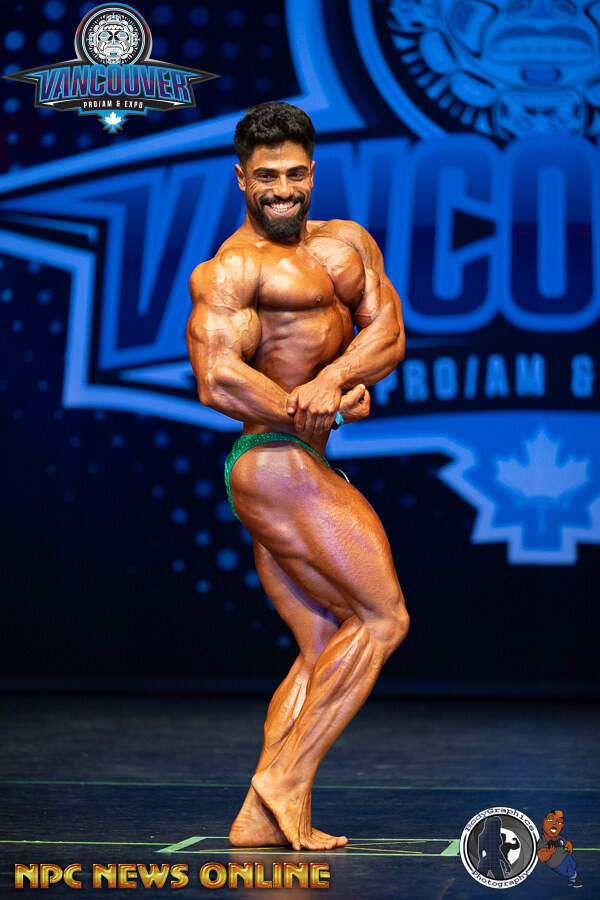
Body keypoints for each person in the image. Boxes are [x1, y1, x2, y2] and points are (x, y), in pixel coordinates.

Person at [186, 101, 409, 852]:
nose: (281, 189)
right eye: (266, 177)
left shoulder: (348, 244)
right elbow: (218, 379)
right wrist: (309, 404)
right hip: (271, 461)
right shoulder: (231, 269)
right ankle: (285, 779)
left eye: (294, 174)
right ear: (241, 179)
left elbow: (388, 333)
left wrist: (337, 381)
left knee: (323, 642)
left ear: (312, 172)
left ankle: (257, 820)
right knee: (382, 620)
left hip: (299, 458)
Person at [537, 810, 582, 888]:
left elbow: (567, 843)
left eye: (559, 822)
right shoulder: (542, 842)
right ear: (544, 821)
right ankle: (576, 878)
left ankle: (571, 880)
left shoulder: (558, 837)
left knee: (573, 865)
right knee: (569, 873)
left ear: (562, 825)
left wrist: (569, 848)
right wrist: (549, 853)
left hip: (566, 856)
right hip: (557, 864)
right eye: (550, 819)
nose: (554, 824)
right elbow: (541, 856)